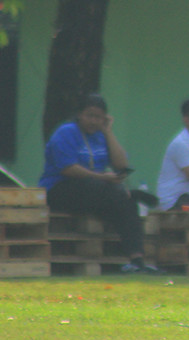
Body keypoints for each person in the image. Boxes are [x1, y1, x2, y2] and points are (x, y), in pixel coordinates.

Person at [39, 93, 160, 273]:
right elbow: (67, 169)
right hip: (61, 189)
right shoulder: (66, 132)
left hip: (96, 191)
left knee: (127, 204)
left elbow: (121, 165)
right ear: (80, 114)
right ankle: (129, 193)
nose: (94, 121)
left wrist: (108, 131)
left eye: (98, 117)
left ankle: (136, 260)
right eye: (90, 115)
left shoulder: (101, 135)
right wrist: (103, 178)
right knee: (104, 188)